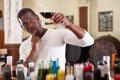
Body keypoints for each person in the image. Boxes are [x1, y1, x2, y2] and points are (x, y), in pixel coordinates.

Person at [17, 8, 94, 79]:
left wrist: (68, 24)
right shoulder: (24, 45)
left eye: (31, 20)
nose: (30, 25)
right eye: (25, 23)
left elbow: (88, 41)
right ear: (22, 27)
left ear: (37, 18)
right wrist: (33, 49)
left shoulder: (58, 33)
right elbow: (22, 72)